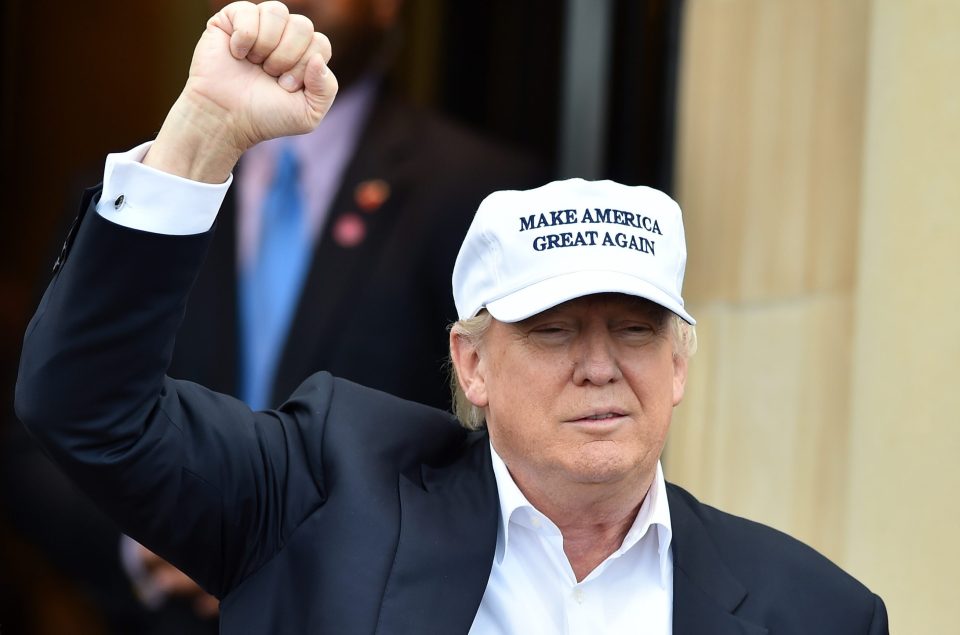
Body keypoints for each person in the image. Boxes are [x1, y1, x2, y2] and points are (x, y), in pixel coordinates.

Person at [15, 3, 888, 634]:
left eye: (636, 329)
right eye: (550, 329)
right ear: (470, 362)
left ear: (681, 365)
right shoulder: (324, 496)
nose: (599, 366)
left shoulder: (815, 610)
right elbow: (90, 407)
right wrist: (202, 133)